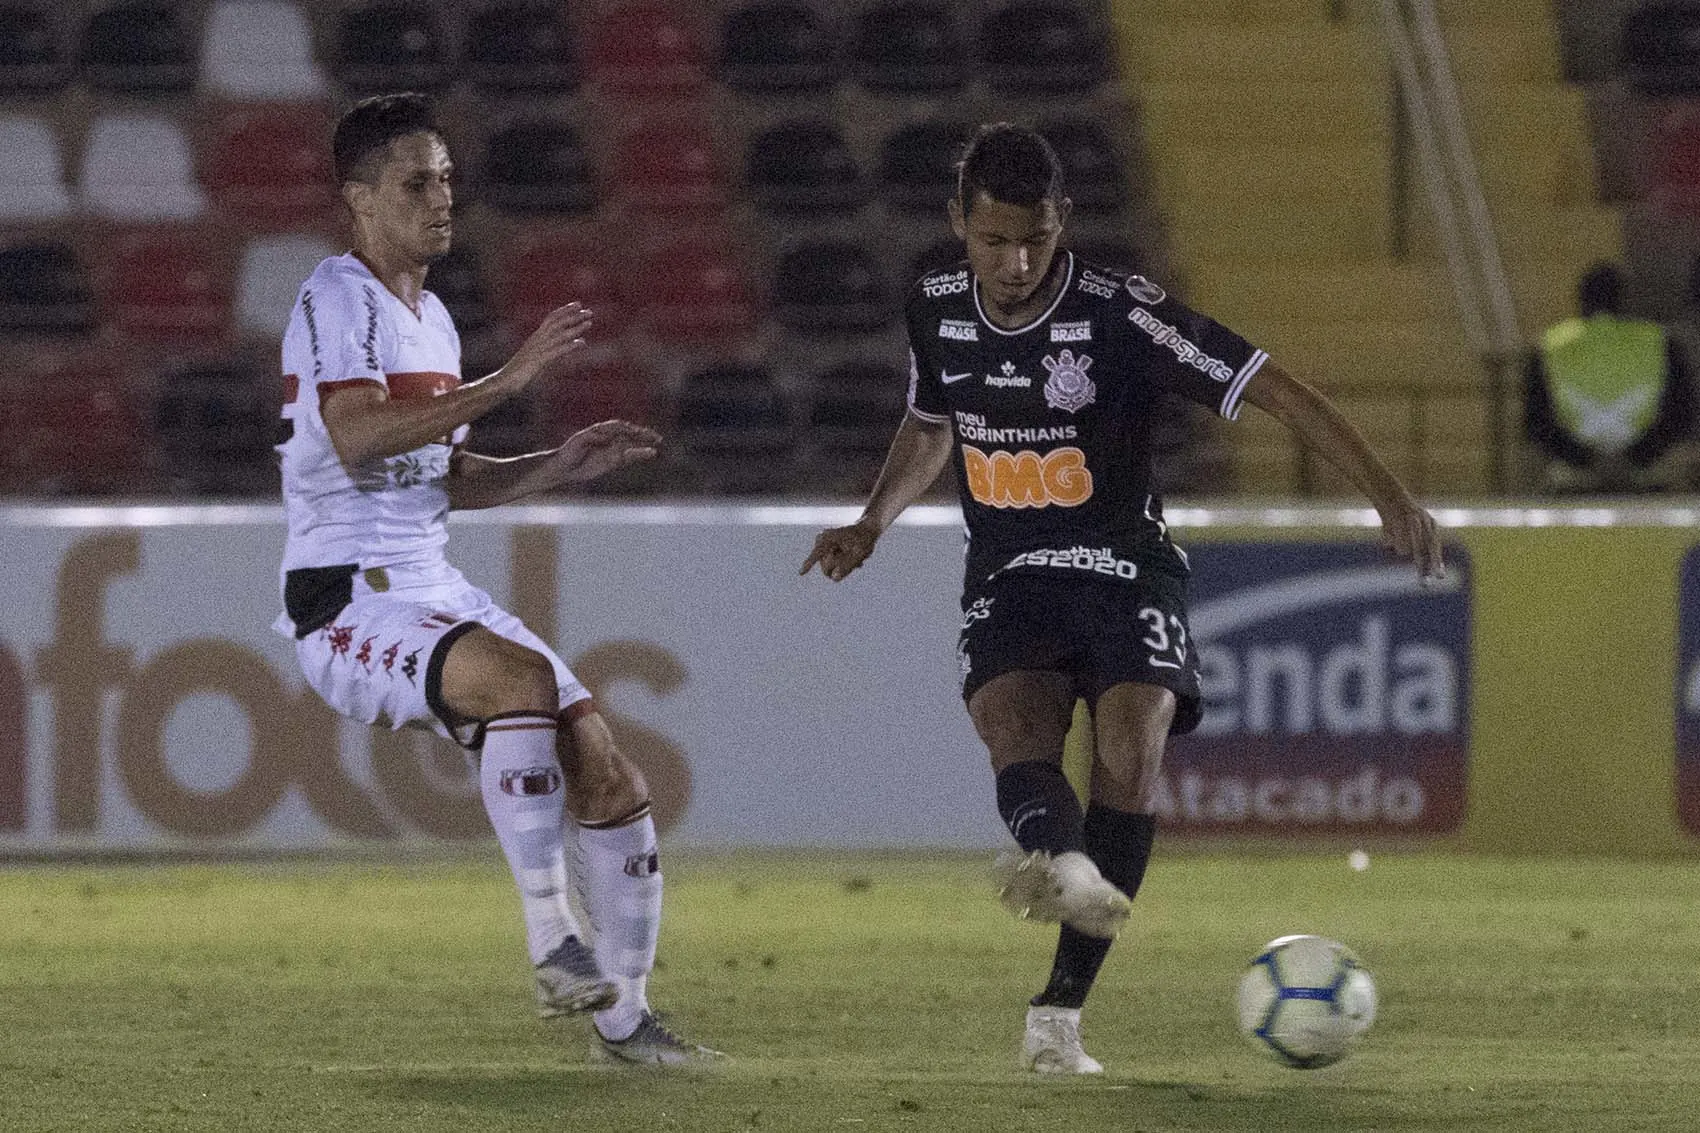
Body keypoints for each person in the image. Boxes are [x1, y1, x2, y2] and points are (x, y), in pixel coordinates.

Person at [801, 123, 1443, 1075]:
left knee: (1129, 748)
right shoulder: (934, 308)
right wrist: (871, 521)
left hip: (1120, 562)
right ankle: (1066, 866)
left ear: (1062, 223)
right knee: (1011, 732)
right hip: (1010, 571)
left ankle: (1058, 1014)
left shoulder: (1120, 314)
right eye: (993, 241)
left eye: (1035, 239)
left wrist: (1388, 492)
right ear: (957, 226)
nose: (1016, 263)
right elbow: (931, 423)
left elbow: (1276, 390)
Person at [274, 93, 718, 1066]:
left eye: (445, 179)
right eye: (415, 182)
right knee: (519, 685)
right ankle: (553, 939)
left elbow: (449, 475)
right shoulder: (332, 298)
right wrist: (511, 383)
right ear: (358, 198)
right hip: (345, 593)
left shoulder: (431, 319)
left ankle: (627, 1019)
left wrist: (558, 461)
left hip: (428, 581)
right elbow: (355, 438)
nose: (442, 199)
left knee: (601, 756)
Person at [1523, 261, 1697, 492]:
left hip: (1577, 473)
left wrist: (1583, 457)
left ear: (1582, 300)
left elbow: (1536, 422)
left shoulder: (1550, 346)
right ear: (1626, 300)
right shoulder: (1660, 343)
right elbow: (1681, 414)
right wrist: (1639, 455)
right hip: (1645, 471)